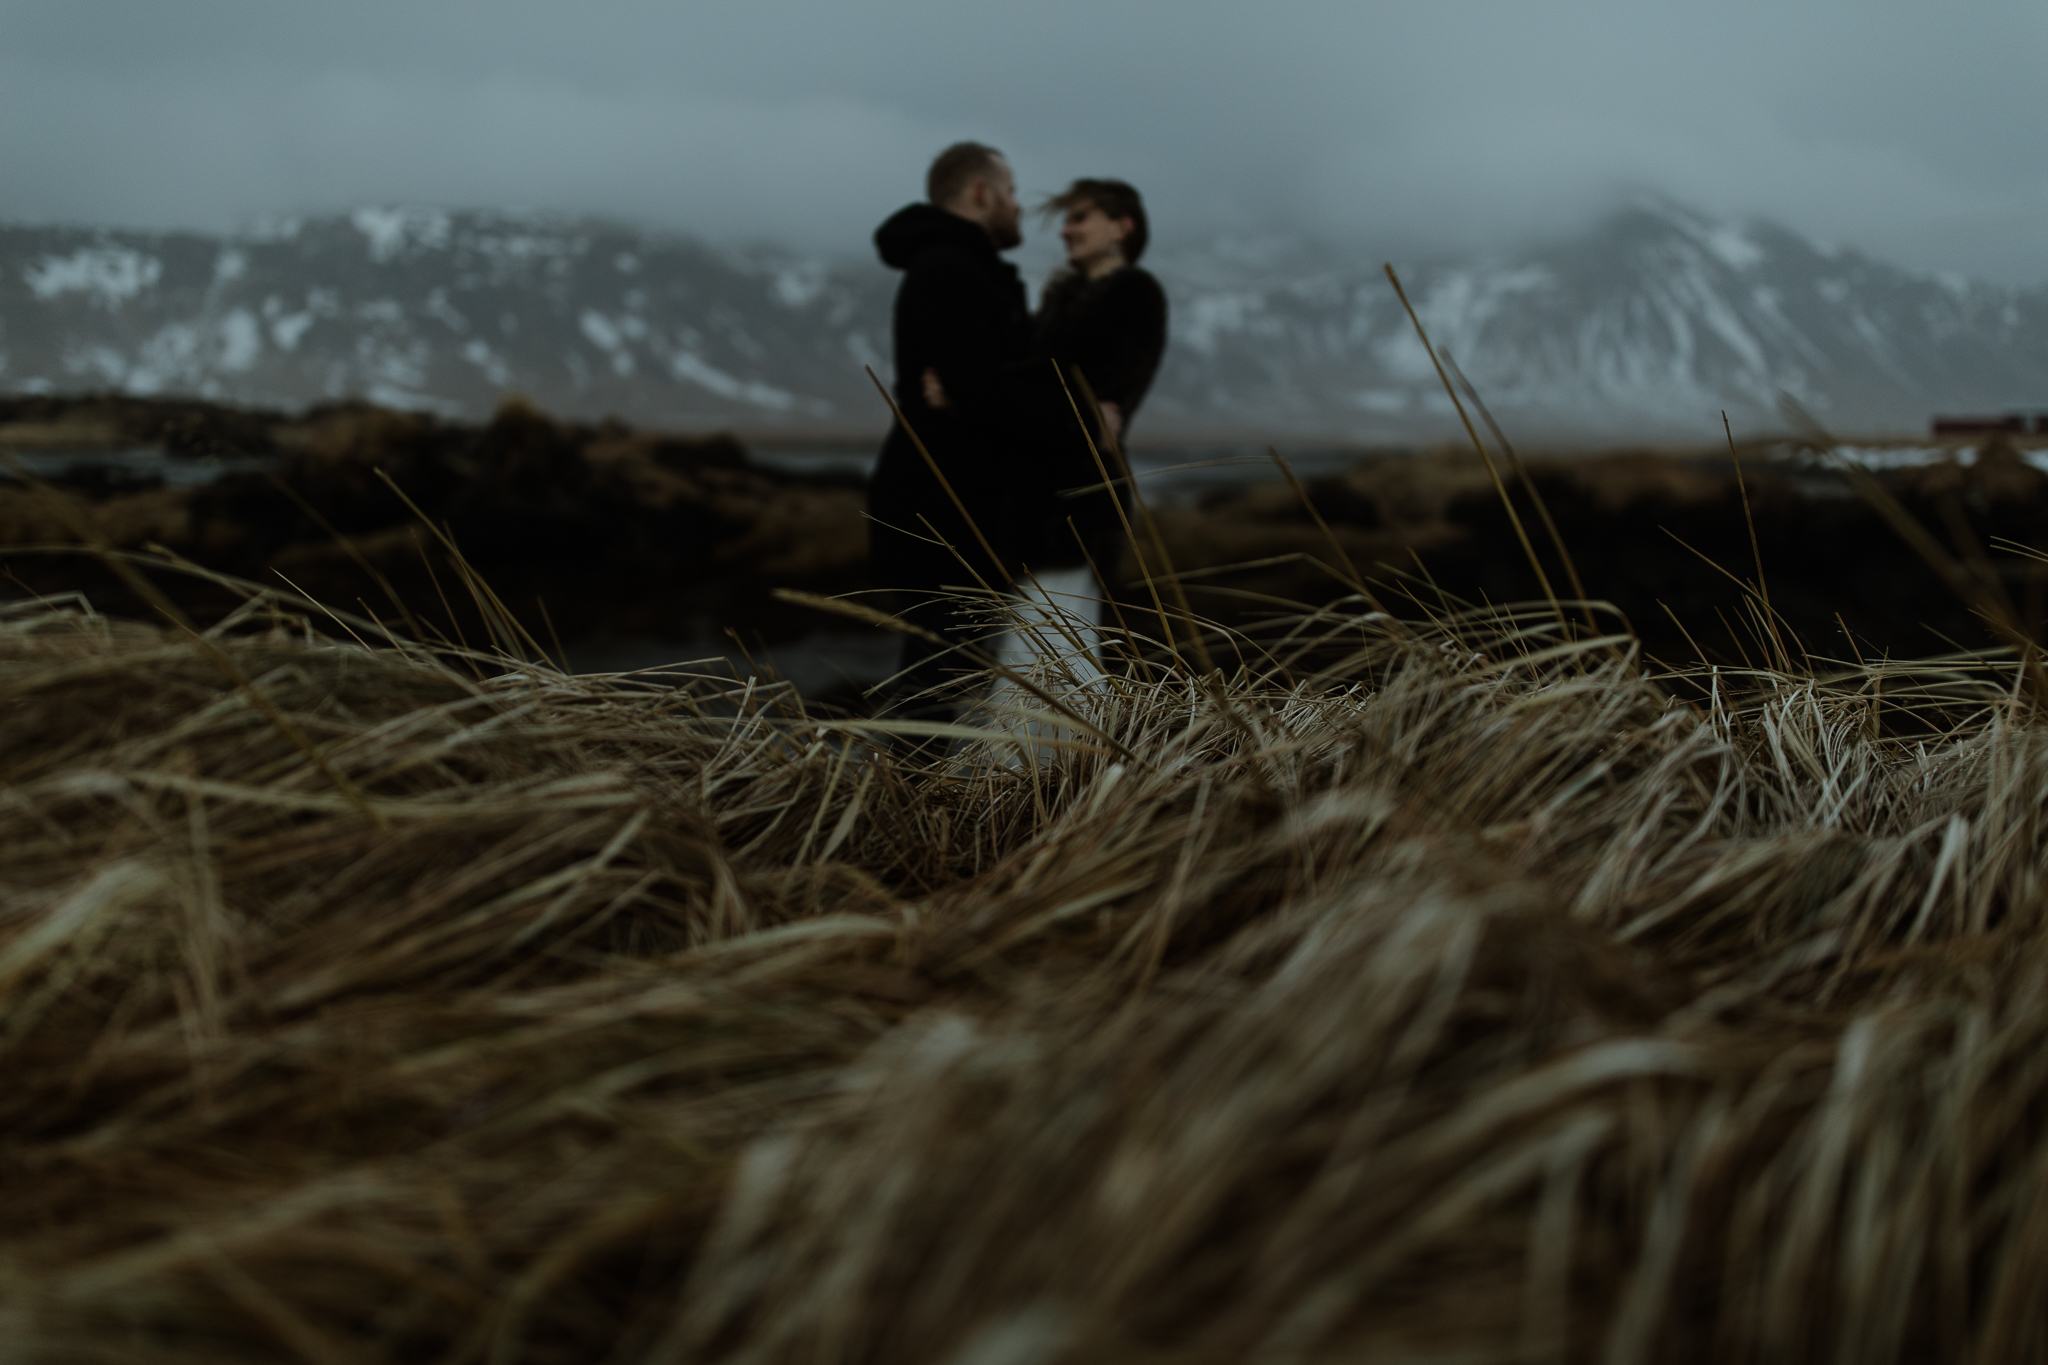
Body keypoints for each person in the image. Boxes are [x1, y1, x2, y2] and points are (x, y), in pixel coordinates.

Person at [867, 142, 1031, 727]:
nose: (1020, 205)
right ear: (980, 193)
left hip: (956, 503)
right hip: (941, 509)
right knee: (938, 678)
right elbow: (984, 391)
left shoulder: (964, 270)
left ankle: (916, 806)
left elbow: (978, 388)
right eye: (1011, 191)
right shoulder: (948, 270)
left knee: (946, 673)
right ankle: (903, 810)